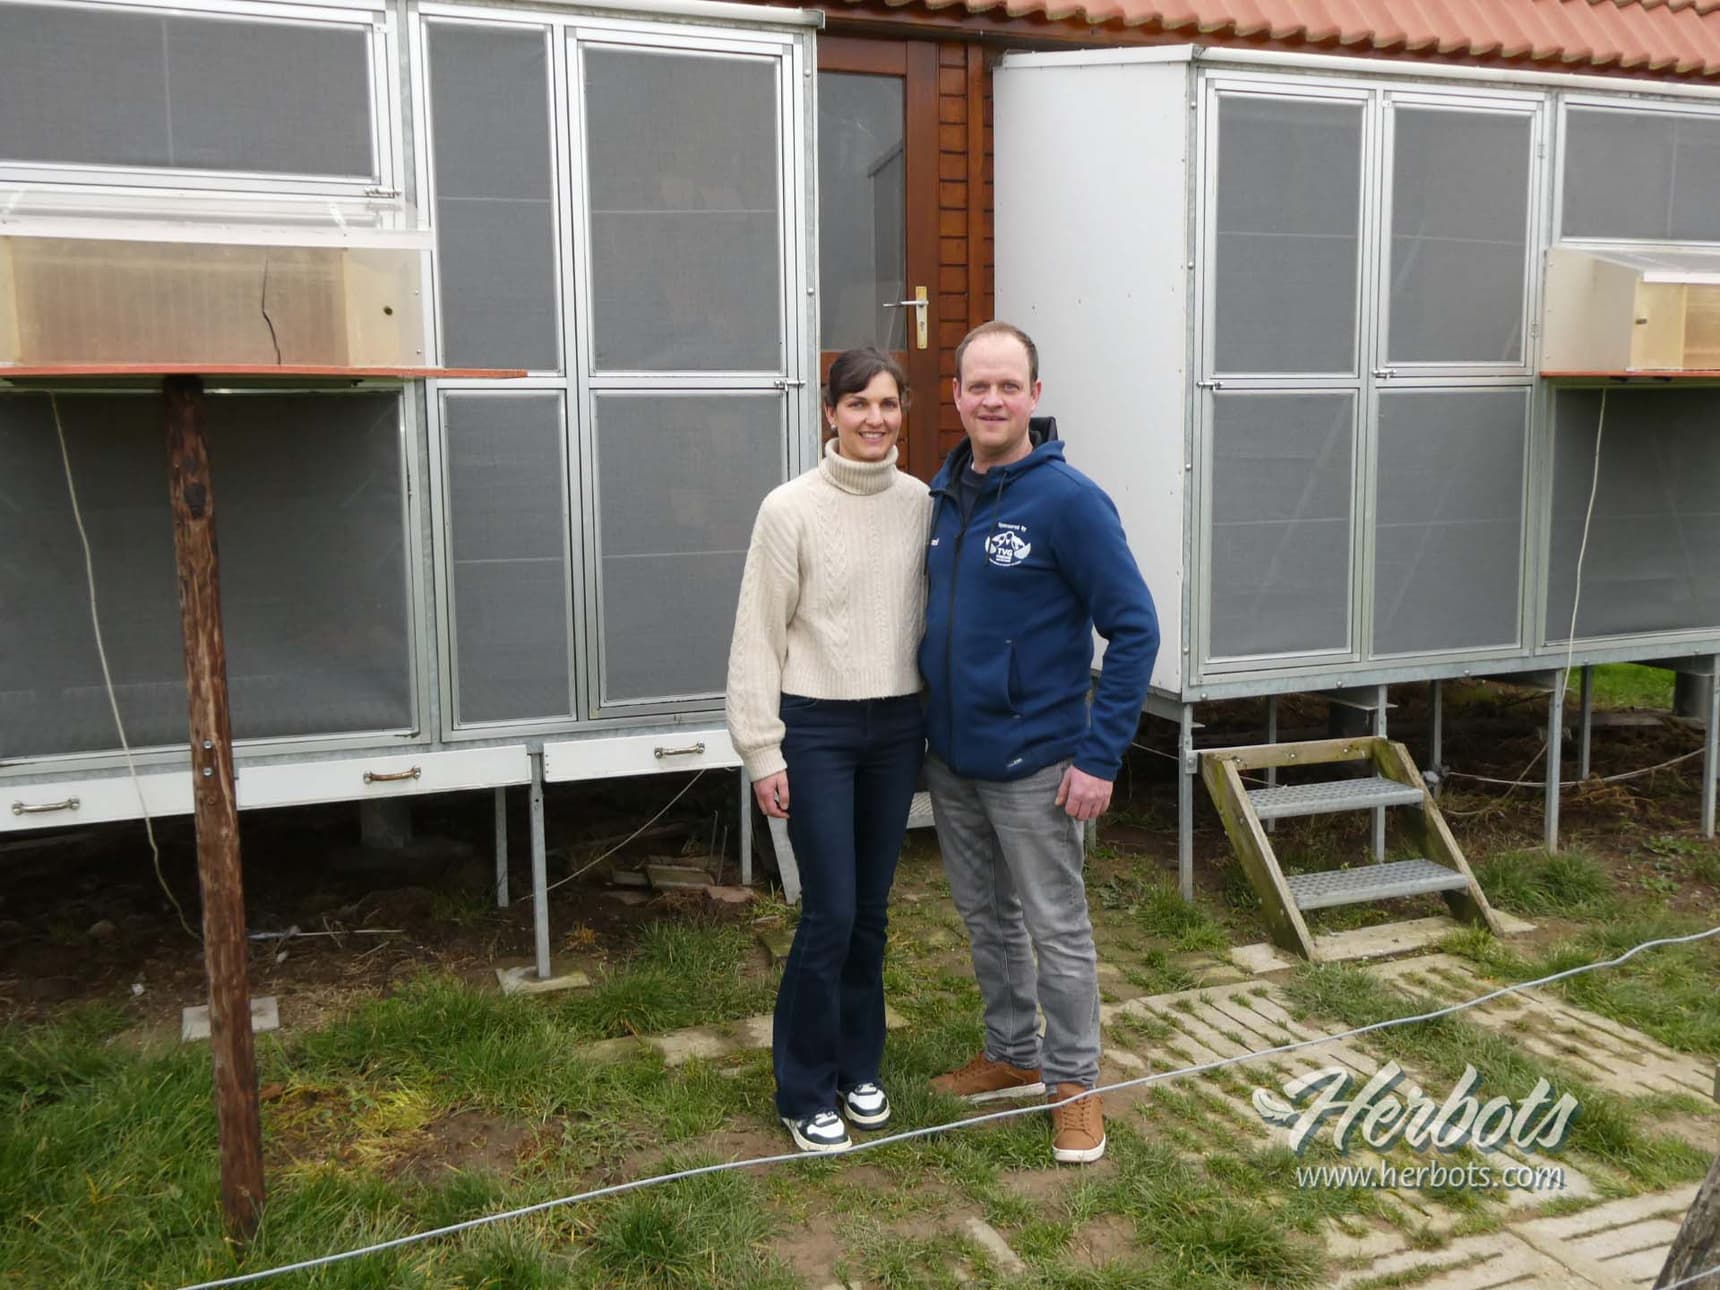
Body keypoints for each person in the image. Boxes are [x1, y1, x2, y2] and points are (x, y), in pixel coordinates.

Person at [919, 321, 1159, 1165]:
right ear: (956, 396)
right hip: (952, 759)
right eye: (976, 386)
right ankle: (1012, 1051)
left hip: (1040, 765)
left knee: (1056, 927)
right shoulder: (942, 497)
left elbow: (1133, 629)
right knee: (986, 916)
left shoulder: (1069, 501)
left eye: (1007, 386)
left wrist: (1100, 756)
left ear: (1034, 396)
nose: (991, 399)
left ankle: (1075, 1085)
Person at [725, 348, 930, 1154]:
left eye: (888, 404)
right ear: (830, 414)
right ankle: (802, 1088)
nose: (874, 419)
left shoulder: (922, 503)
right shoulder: (789, 509)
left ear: (903, 412)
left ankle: (858, 1067)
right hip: (815, 728)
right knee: (830, 913)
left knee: (872, 915)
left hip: (896, 727)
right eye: (858, 404)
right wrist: (761, 750)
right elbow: (757, 635)